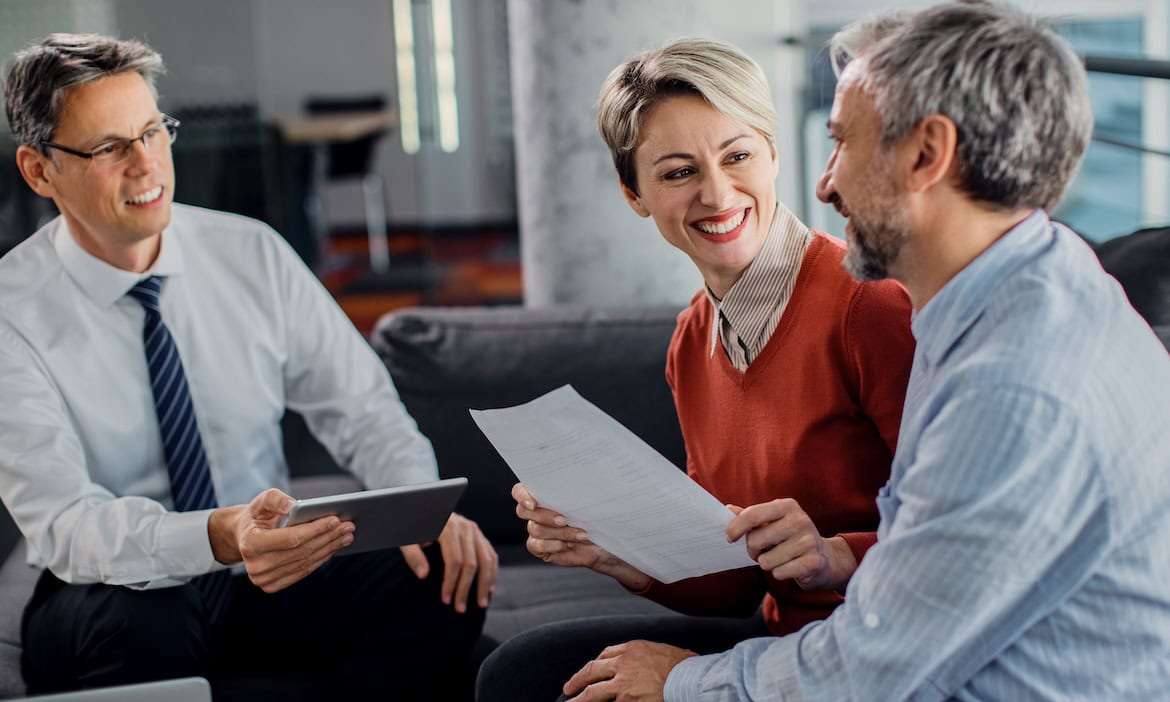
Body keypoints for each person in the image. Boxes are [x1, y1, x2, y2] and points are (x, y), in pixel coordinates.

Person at [553, 1, 1170, 700]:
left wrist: (683, 683)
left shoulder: (1012, 385)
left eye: (844, 142)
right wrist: (622, 551)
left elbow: (877, 665)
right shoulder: (1011, 302)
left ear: (926, 154)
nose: (825, 184)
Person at [0, 33, 497, 700]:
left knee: (437, 573)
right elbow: (66, 524)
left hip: (272, 570)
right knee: (146, 617)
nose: (147, 166)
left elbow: (363, 410)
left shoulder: (251, 253)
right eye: (109, 148)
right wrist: (217, 536)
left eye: (153, 132)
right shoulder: (11, 311)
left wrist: (415, 508)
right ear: (38, 171)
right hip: (113, 586)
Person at [477, 37, 915, 701]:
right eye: (678, 172)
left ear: (772, 153)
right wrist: (610, 553)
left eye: (737, 155)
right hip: (774, 640)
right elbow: (735, 579)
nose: (717, 193)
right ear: (635, 194)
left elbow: (964, 541)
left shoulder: (869, 305)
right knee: (522, 675)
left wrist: (834, 552)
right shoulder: (691, 342)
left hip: (874, 649)